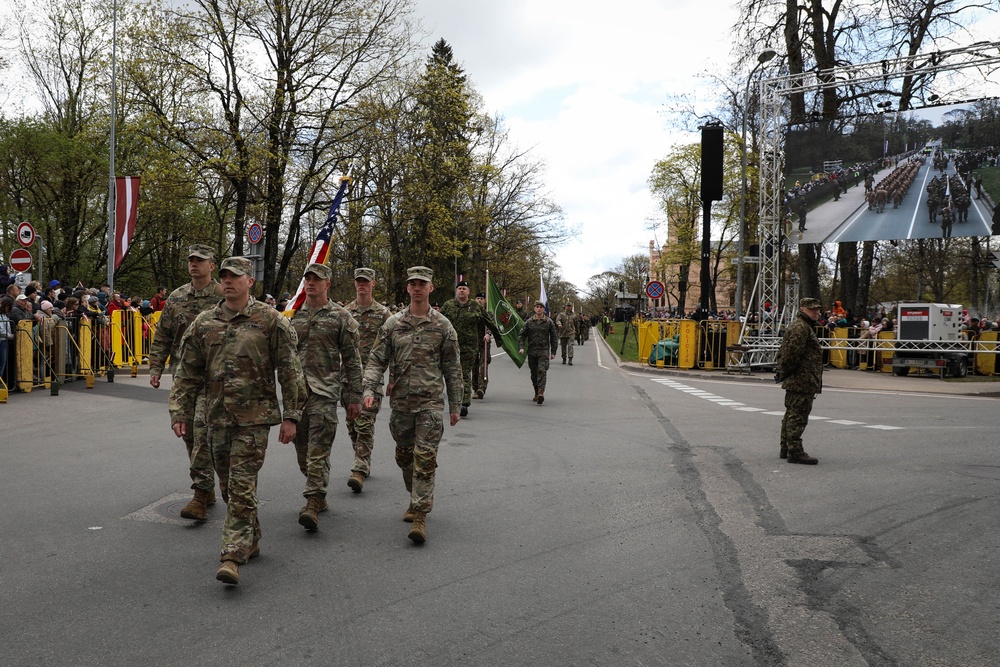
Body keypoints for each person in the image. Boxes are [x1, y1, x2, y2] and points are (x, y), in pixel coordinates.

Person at [168, 256, 304, 585]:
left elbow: (290, 372)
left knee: (242, 486)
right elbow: (187, 372)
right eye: (225, 276)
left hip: (254, 419)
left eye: (236, 276)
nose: (228, 281)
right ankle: (251, 536)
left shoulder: (271, 321)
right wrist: (179, 410)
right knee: (229, 487)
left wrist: (292, 417)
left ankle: (232, 553)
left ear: (250, 282)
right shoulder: (204, 322)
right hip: (216, 418)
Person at [361, 266, 462, 544]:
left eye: (422, 284)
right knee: (404, 457)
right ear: (407, 288)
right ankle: (413, 496)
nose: (417, 288)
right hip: (402, 405)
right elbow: (376, 360)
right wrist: (370, 387)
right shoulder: (393, 324)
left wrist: (455, 404)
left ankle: (420, 514)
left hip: (430, 404)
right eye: (413, 284)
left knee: (425, 459)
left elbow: (452, 368)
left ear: (431, 288)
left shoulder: (443, 326)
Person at [149, 244, 224, 521]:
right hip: (184, 375)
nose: (195, 264)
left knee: (203, 431)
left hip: (215, 376)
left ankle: (201, 493)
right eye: (191, 260)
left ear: (211, 265)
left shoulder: (222, 295)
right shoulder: (177, 297)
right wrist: (155, 366)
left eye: (200, 260)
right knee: (189, 433)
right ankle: (206, 487)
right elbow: (163, 335)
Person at [290, 263, 363, 530]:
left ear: (327, 284)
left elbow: (353, 361)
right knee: (302, 454)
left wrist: (354, 395)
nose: (311, 283)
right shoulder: (292, 315)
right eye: (307, 278)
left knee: (317, 452)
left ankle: (312, 500)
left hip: (325, 393)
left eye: (316, 279)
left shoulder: (341, 317)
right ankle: (318, 492)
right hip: (297, 396)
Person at [341, 267, 392, 492]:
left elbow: (394, 347)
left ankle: (359, 468)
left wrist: (393, 377)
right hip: (347, 379)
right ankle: (362, 457)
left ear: (373, 284)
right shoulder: (345, 312)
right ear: (355, 284)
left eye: (366, 281)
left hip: (371, 379)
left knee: (364, 422)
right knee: (352, 423)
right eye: (358, 281)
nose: (362, 285)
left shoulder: (384, 315)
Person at [440, 280, 500, 417]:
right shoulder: (448, 305)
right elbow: (438, 321)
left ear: (468, 292)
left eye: (464, 288)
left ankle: (464, 403)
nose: (461, 290)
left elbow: (489, 321)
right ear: (456, 291)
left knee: (465, 374)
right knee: (452, 375)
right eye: (459, 288)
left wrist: (497, 338)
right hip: (450, 346)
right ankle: (454, 400)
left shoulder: (475, 306)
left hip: (469, 347)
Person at [778, 297, 824, 465]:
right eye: (813, 309)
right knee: (798, 416)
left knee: (791, 414)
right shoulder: (801, 327)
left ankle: (786, 447)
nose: (817, 312)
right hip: (801, 379)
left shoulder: (802, 326)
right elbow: (791, 355)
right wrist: (789, 372)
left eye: (818, 309)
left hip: (800, 378)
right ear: (803, 309)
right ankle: (795, 451)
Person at [518, 300, 558, 404]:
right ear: (534, 309)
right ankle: (536, 391)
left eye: (541, 307)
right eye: (537, 307)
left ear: (544, 309)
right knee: (534, 373)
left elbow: (554, 337)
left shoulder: (549, 322)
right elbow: (522, 335)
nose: (539, 309)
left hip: (543, 351)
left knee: (542, 371)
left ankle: (541, 392)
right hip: (532, 351)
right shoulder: (529, 322)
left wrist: (553, 351)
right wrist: (521, 347)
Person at [471, 292, 493, 399]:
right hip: (473, 342)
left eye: (482, 299)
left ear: (485, 301)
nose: (479, 300)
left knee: (483, 365)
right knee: (474, 366)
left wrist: (488, 334)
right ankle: (475, 389)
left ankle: (482, 388)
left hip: (484, 343)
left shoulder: (488, 313)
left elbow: (491, 325)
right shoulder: (471, 312)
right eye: (478, 298)